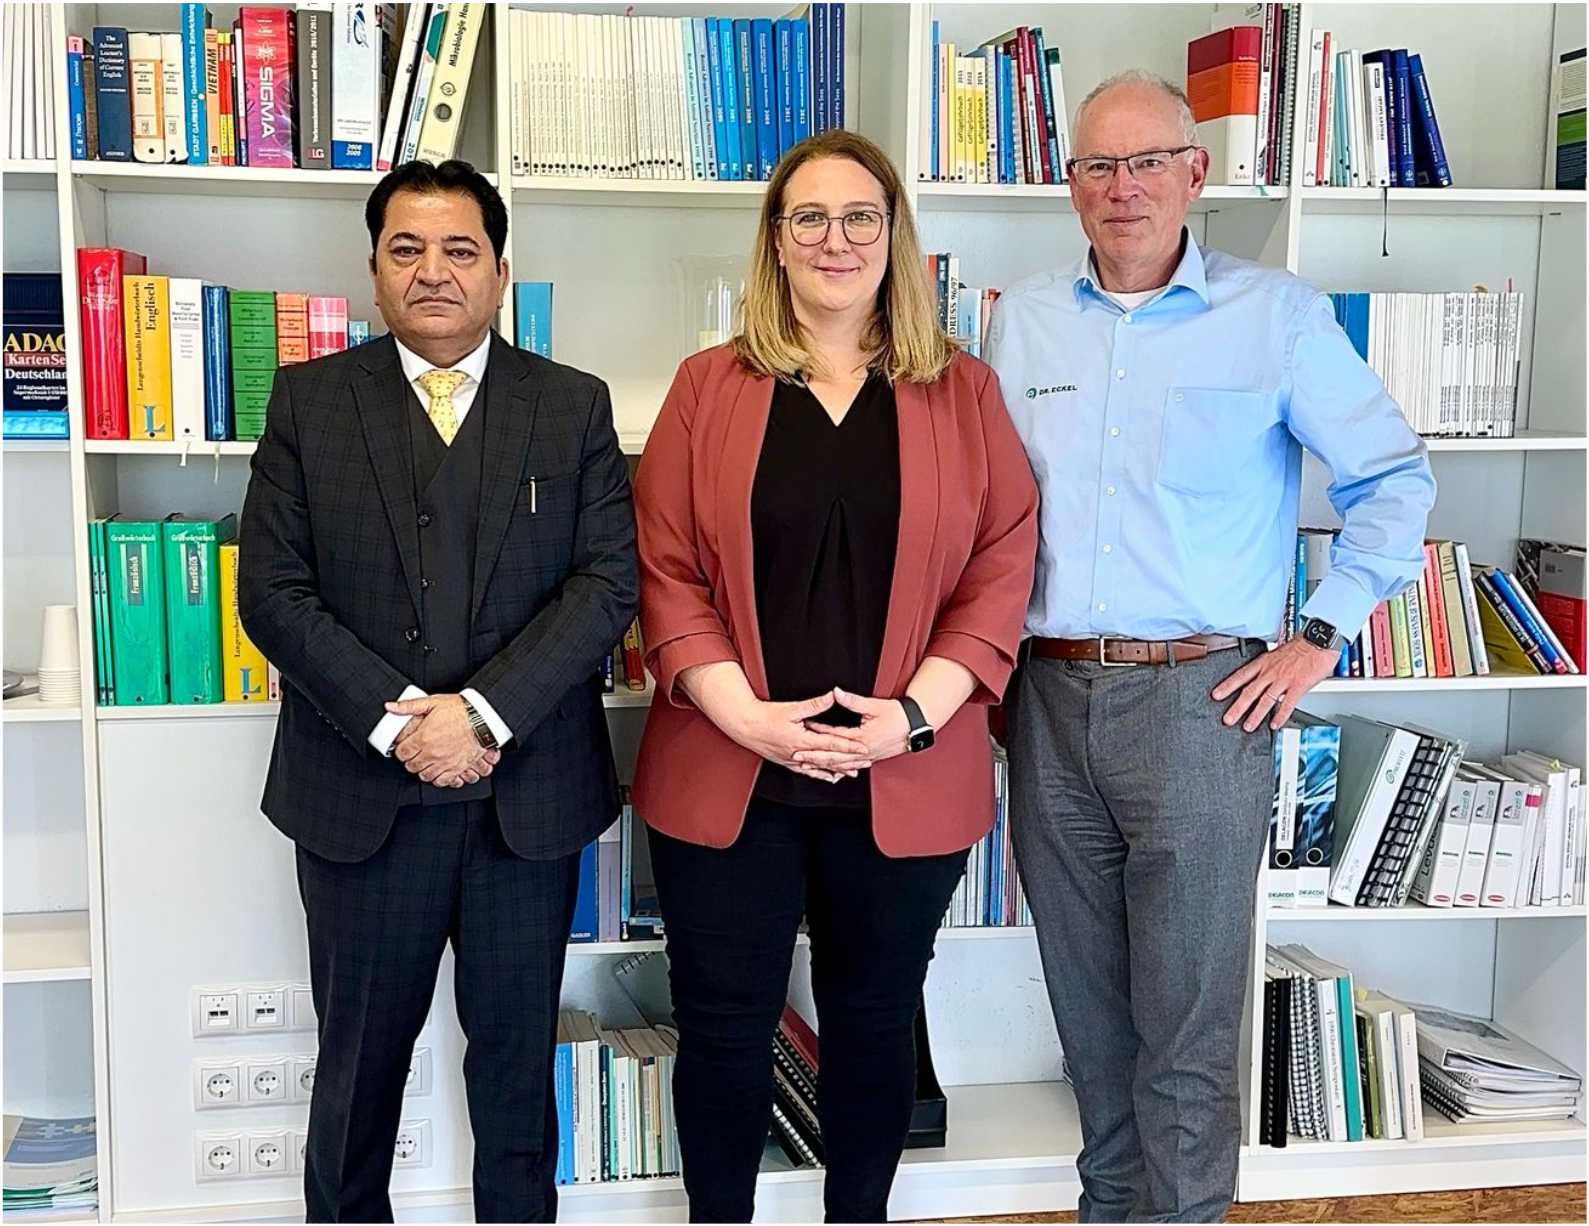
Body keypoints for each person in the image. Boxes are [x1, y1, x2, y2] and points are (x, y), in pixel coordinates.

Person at [985, 72, 1437, 1223]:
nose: (1122, 186)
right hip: (1043, 698)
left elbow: (1392, 478)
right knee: (1088, 1020)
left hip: (1201, 701)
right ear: (1068, 183)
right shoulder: (1019, 319)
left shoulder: (1274, 315)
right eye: (1098, 164)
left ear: (1194, 173)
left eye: (1147, 161)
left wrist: (1319, 633)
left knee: (1184, 1030)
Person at [631, 129, 1038, 1223]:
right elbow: (663, 565)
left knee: (873, 1020)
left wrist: (909, 718)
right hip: (729, 767)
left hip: (904, 767)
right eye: (807, 217)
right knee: (724, 1026)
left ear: (894, 236)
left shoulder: (964, 392)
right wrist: (744, 717)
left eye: (860, 216)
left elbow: (1001, 566)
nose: (834, 240)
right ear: (775, 240)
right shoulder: (708, 386)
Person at [238, 159, 637, 1223]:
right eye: (405, 249)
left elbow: (607, 586)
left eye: (460, 249)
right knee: (357, 1075)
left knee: (517, 1080)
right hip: (361, 803)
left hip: (524, 804)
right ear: (373, 269)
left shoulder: (572, 405)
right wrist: (400, 725)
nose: (433, 271)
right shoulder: (312, 402)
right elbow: (271, 592)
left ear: (499, 270)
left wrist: (482, 715)